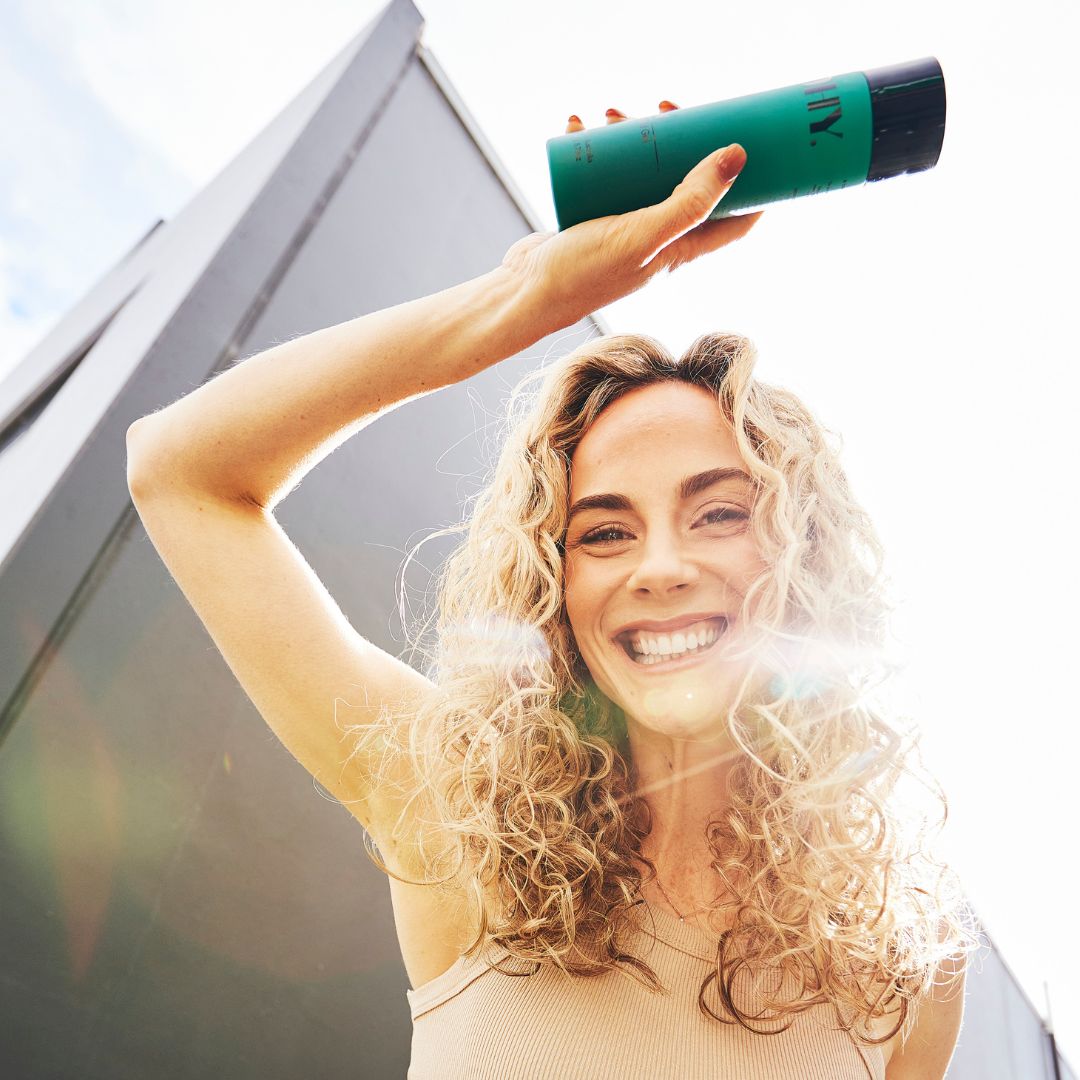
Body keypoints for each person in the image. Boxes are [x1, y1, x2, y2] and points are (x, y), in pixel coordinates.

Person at [126, 102, 975, 1079]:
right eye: (605, 532)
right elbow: (180, 471)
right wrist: (518, 300)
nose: (660, 565)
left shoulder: (898, 961)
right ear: (554, 587)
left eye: (718, 514)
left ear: (805, 557)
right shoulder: (452, 809)